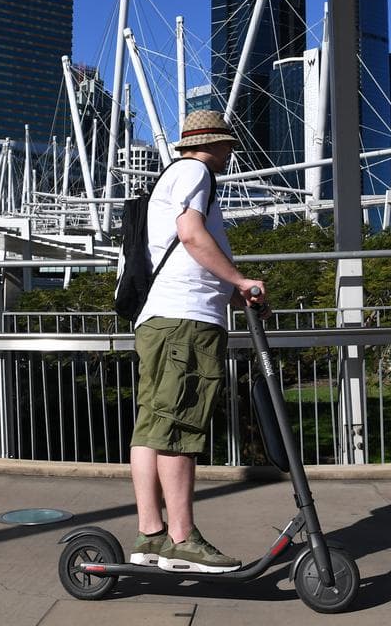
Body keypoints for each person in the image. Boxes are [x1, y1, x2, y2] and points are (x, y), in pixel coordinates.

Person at [128, 109, 266, 573]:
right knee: (179, 427)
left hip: (163, 321)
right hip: (184, 322)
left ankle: (151, 535)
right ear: (215, 144)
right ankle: (182, 539)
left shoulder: (175, 174)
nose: (230, 155)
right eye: (228, 146)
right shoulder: (194, 171)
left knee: (153, 426)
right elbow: (190, 235)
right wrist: (240, 281)